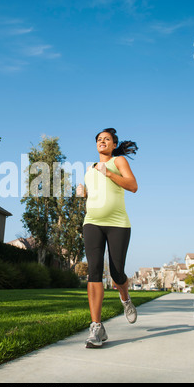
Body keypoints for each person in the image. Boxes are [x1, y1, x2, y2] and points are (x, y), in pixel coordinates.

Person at [77, 128, 138, 348]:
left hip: (118, 224)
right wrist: (82, 193)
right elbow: (96, 193)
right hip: (92, 222)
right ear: (96, 145)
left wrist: (109, 173)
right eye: (99, 139)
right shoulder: (88, 169)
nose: (103, 141)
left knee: (116, 272)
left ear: (113, 145)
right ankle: (96, 327)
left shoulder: (118, 161)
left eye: (107, 139)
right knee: (93, 271)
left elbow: (133, 186)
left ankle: (125, 299)